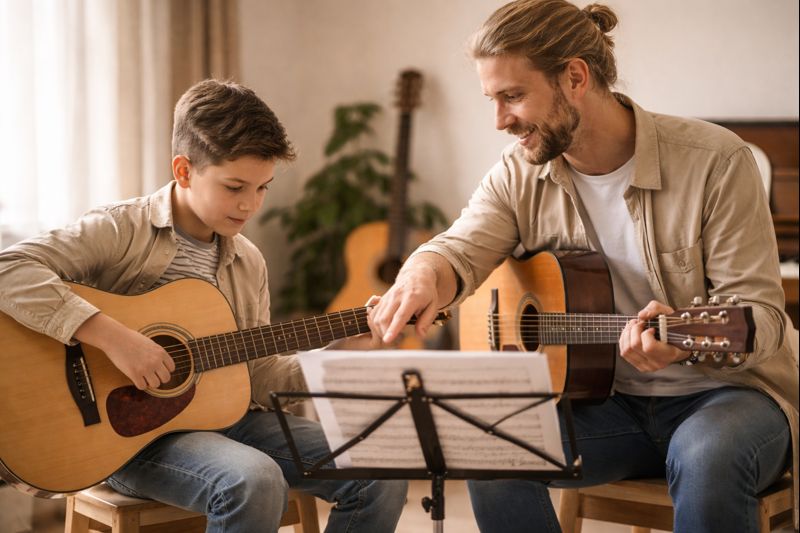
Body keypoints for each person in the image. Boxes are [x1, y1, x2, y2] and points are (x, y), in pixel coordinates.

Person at [367, 1, 798, 532]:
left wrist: (683, 338)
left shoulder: (715, 161)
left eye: (513, 96)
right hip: (604, 405)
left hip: (727, 398)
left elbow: (762, 317)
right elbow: (458, 247)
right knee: (485, 444)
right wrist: (420, 276)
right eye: (492, 99)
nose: (500, 120)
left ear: (575, 76)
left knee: (707, 455)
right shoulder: (518, 173)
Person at [0, 79, 406, 533]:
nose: (250, 205)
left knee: (380, 464)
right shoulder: (120, 229)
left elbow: (259, 376)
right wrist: (114, 338)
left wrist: (339, 353)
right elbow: (8, 268)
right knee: (252, 480)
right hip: (122, 438)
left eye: (262, 188)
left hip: (224, 422)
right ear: (184, 170)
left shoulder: (247, 261)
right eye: (235, 187)